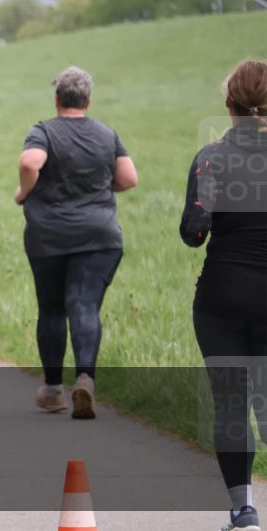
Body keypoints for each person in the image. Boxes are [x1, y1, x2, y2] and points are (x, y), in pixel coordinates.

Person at [14, 66, 138, 418]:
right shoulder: (106, 134)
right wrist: (101, 187)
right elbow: (129, 178)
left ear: (57, 99)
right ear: (88, 99)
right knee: (84, 306)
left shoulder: (44, 131)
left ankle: (54, 389)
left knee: (52, 308)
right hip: (100, 237)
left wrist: (24, 192)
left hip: (49, 236)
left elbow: (29, 161)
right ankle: (85, 377)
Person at [180, 59, 267, 531]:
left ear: (228, 104)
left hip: (223, 298)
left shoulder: (211, 157)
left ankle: (243, 513)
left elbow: (194, 233)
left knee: (232, 404)